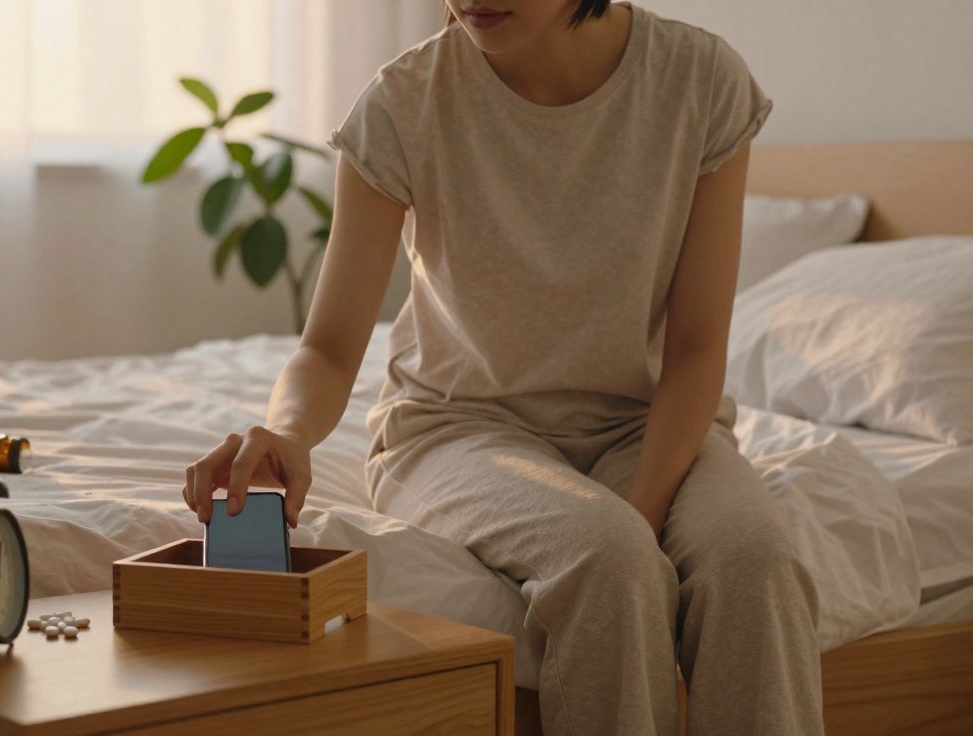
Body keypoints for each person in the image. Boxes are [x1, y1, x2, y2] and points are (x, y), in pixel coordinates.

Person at [182, 2, 823, 733]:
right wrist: (288, 432)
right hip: (455, 431)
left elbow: (698, 346)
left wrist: (642, 512)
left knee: (757, 563)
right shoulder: (404, 102)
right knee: (607, 562)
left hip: (644, 424)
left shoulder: (699, 82)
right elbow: (327, 347)